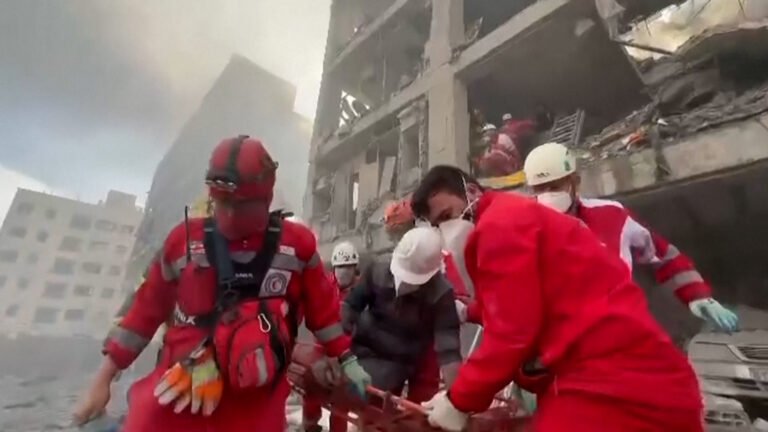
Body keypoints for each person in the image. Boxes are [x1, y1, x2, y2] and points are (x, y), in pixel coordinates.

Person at [73, 135, 371, 432]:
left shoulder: (299, 247)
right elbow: (143, 313)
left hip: (256, 398)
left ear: (265, 198)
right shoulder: (182, 243)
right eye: (222, 202)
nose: (229, 214)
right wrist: (103, 379)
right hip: (181, 391)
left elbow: (325, 314)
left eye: (241, 205)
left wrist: (347, 359)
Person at [411, 165, 704, 432]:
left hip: (615, 380)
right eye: (438, 225)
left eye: (448, 216)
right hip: (625, 374)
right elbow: (520, 305)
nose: (446, 231)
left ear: (472, 192)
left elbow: (511, 332)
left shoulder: (500, 227)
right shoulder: (513, 216)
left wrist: (460, 399)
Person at [523, 142, 739, 333]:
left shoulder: (612, 216)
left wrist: (698, 296)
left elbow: (664, 255)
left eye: (556, 186)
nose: (548, 194)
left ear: (575, 182)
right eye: (540, 188)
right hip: (565, 349)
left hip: (624, 335)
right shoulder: (520, 230)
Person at [342, 226, 463, 400]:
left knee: (381, 403)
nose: (403, 284)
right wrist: (337, 352)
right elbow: (351, 306)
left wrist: (455, 400)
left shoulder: (440, 294)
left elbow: (449, 349)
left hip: (400, 361)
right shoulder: (377, 270)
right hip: (362, 349)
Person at [301, 241, 361, 432]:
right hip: (322, 347)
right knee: (310, 381)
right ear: (334, 267)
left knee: (340, 396)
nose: (344, 272)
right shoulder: (324, 286)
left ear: (355, 269)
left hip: (348, 351)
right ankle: (310, 424)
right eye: (340, 267)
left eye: (348, 267)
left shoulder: (362, 292)